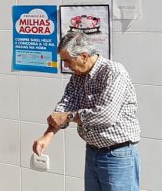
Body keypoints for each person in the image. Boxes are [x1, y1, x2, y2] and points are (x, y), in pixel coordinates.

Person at [33, 31, 141, 191]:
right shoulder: (78, 75)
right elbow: (65, 105)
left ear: (84, 56)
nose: (66, 66)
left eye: (68, 61)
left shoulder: (113, 72)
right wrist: (48, 135)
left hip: (117, 154)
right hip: (93, 151)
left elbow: (105, 115)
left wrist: (69, 116)